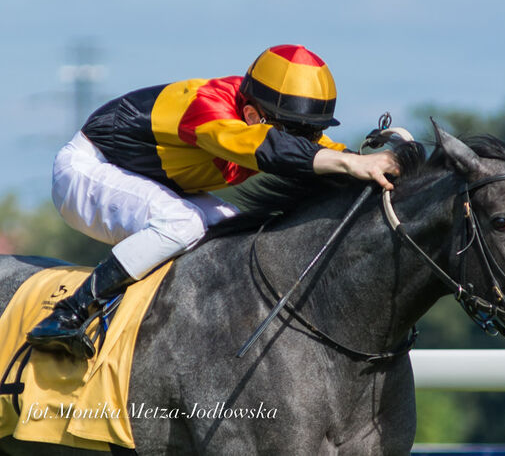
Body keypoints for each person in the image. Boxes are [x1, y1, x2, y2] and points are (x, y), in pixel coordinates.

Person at [26, 44, 399, 359]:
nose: (307, 141)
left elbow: (323, 151)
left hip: (149, 181)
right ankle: (69, 313)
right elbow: (267, 147)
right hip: (87, 170)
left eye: (312, 133)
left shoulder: (263, 112)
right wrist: (349, 163)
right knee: (183, 224)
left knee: (238, 236)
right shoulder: (208, 106)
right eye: (297, 133)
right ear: (251, 115)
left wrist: (382, 162)